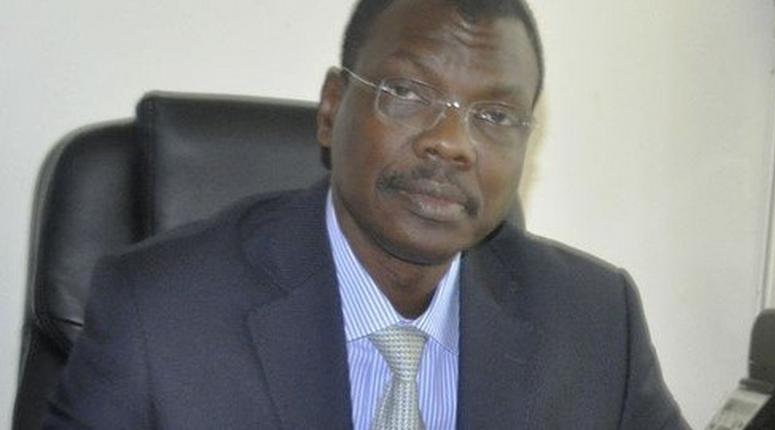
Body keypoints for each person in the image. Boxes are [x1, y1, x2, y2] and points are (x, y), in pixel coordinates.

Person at [44, 0, 690, 428]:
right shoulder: (161, 311)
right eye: (408, 94)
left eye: (494, 117)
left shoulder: (596, 320)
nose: (451, 143)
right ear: (332, 108)